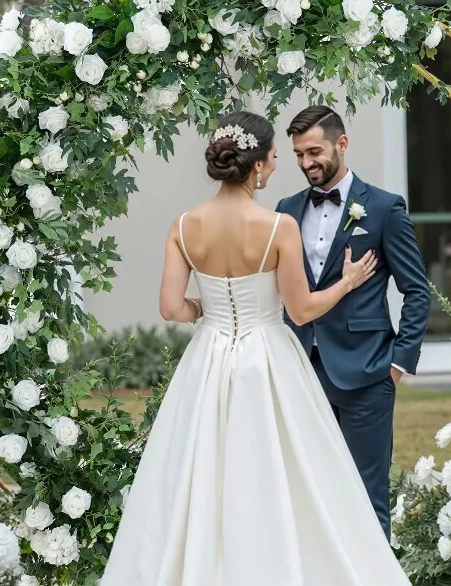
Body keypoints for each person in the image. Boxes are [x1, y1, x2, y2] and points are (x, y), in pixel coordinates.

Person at [100, 111, 412, 586]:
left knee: (200, 472)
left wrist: (202, 311)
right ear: (260, 166)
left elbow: (169, 308)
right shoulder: (277, 225)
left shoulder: (183, 225)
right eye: (276, 158)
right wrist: (347, 283)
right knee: (289, 474)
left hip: (207, 360)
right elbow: (303, 309)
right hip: (267, 357)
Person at [276, 105, 430, 541]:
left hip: (368, 371)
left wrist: (399, 363)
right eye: (298, 155)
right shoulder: (286, 210)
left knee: (367, 495)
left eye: (314, 152)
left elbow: (416, 291)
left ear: (341, 144)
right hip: (301, 371)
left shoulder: (383, 208)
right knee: (307, 494)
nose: (307, 163)